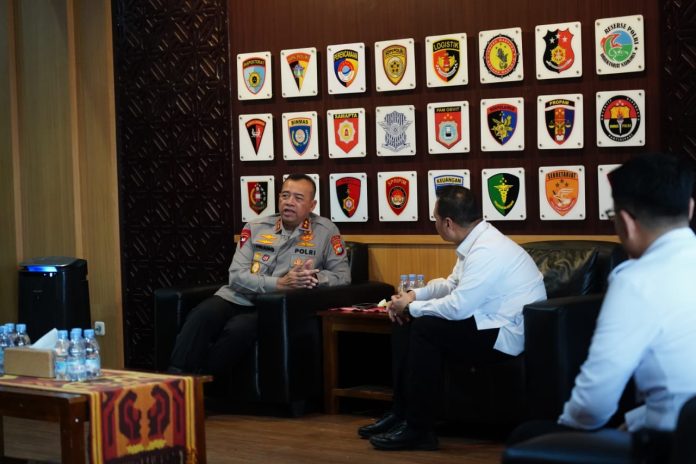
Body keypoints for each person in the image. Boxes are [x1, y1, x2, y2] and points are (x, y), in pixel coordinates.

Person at [506, 153, 696, 456]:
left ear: (625, 223)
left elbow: (592, 406)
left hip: (673, 446)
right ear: (690, 208)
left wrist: (565, 429)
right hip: (678, 426)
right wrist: (635, 419)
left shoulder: (636, 281)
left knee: (528, 436)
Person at [359, 185, 547, 451]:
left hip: (507, 333)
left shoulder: (487, 250)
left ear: (447, 223)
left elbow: (459, 307)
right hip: (487, 320)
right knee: (407, 323)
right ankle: (401, 413)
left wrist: (411, 308)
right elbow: (450, 284)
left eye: (435, 219)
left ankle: (419, 430)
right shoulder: (475, 240)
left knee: (425, 328)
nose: (434, 224)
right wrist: (413, 296)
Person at [168, 174, 351, 377]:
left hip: (274, 307)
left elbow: (343, 276)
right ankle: (174, 380)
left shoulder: (325, 231)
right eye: (285, 195)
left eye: (298, 198)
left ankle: (202, 381)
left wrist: (313, 279)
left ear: (312, 205)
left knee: (239, 329)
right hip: (237, 297)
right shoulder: (255, 227)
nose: (289, 202)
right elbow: (236, 276)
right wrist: (279, 283)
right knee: (201, 315)